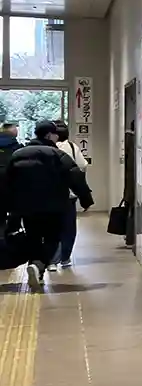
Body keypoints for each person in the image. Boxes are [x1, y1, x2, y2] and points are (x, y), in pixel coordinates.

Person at [4, 120, 93, 287]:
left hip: (27, 207)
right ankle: (38, 265)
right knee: (53, 238)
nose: (57, 137)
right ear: (48, 135)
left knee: (34, 237)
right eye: (55, 134)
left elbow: (7, 182)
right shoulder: (56, 154)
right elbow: (75, 175)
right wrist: (86, 199)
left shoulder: (18, 154)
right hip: (53, 206)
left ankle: (37, 270)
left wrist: (10, 206)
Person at [49, 120, 88, 270]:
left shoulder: (47, 148)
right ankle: (65, 258)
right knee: (69, 227)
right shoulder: (72, 147)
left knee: (52, 227)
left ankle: (52, 260)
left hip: (51, 194)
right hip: (70, 194)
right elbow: (83, 165)